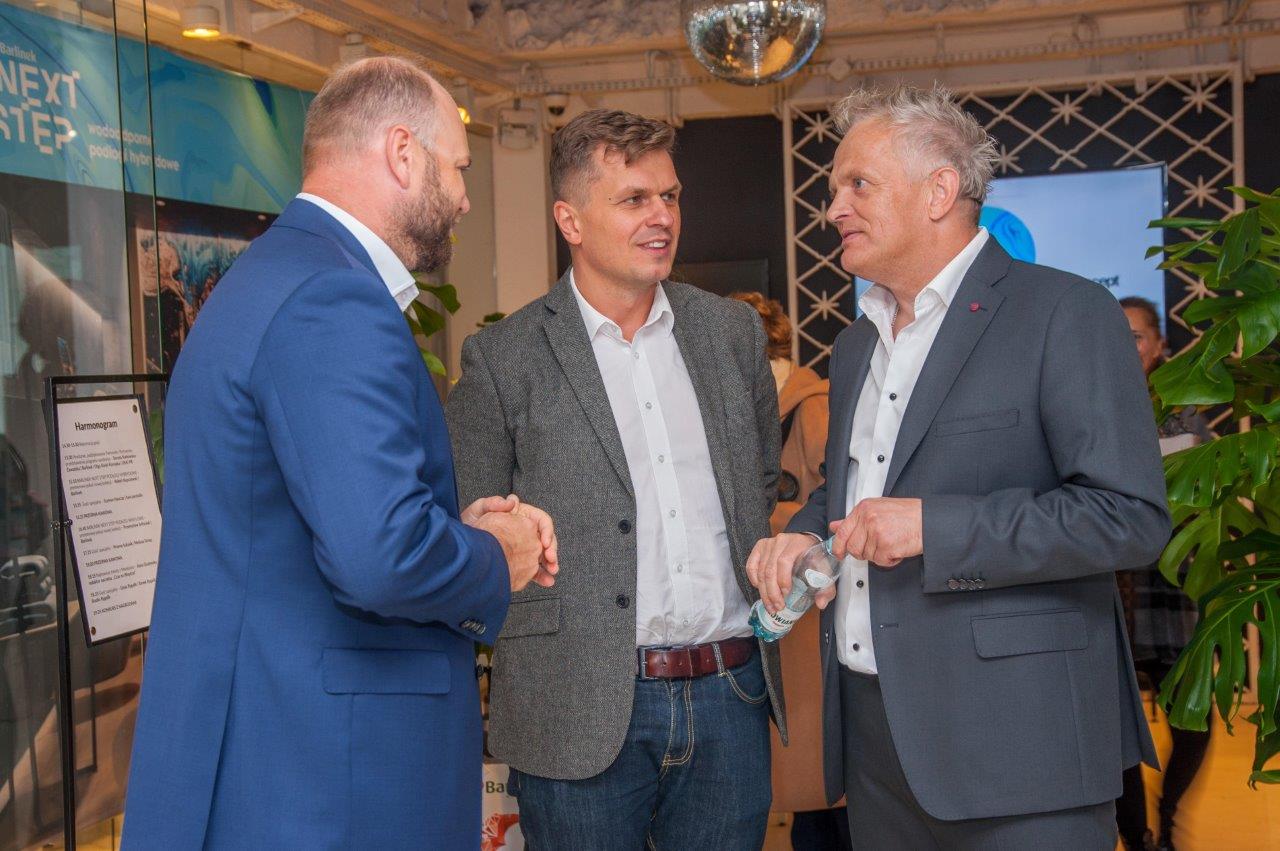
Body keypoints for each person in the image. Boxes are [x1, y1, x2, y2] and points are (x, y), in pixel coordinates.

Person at [123, 57, 557, 849]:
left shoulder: (269, 277)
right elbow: (379, 557)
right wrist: (498, 553)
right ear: (402, 153)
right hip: (331, 779)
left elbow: (303, 523)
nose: (465, 196)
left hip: (273, 756)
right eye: (460, 166)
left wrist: (447, 529)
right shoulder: (334, 296)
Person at [747, 83, 1171, 848]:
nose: (833, 208)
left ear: (940, 190)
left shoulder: (1064, 312)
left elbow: (1128, 516)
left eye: (858, 184)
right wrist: (805, 534)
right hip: (875, 745)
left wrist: (935, 528)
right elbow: (854, 490)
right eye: (834, 188)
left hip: (1019, 746)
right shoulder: (856, 344)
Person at [446, 108, 784, 848]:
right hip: (574, 705)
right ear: (570, 219)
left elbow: (759, 483)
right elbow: (473, 527)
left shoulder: (730, 334)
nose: (662, 216)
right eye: (634, 199)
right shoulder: (504, 358)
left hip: (729, 693)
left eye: (670, 196)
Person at [731, 291, 848, 851]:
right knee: (808, 787)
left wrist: (768, 527)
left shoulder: (812, 405)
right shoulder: (749, 407)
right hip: (778, 608)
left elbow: (839, 503)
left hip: (813, 612)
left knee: (825, 779)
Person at [1114, 295, 1211, 851]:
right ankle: (1136, 837)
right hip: (1112, 581)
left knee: (1192, 719)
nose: (1126, 347)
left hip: (1173, 581)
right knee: (1117, 725)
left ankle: (1168, 817)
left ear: (1159, 346)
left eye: (1135, 336)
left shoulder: (1186, 408)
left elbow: (1214, 482)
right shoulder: (1089, 400)